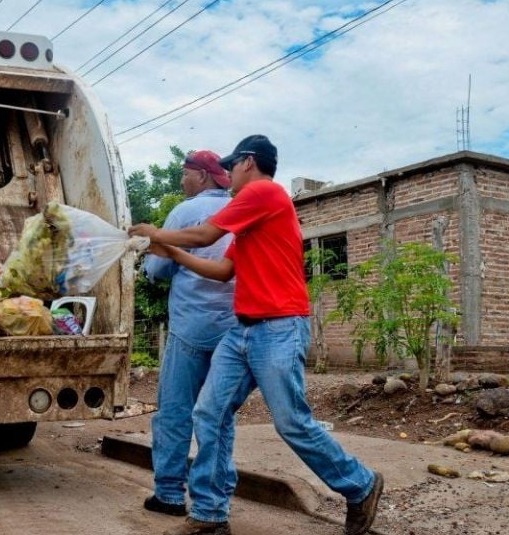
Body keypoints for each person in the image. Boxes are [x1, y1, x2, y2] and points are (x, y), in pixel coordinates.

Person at [130, 135, 383, 535]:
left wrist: (156, 235)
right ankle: (210, 516)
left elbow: (205, 236)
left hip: (279, 328)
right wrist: (173, 254)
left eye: (231, 167)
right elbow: (222, 271)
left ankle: (360, 484)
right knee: (209, 413)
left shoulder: (264, 192)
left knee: (291, 423)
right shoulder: (249, 220)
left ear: (248, 162)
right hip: (242, 330)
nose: (227, 174)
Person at [142, 150, 237, 518]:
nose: (182, 181)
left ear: (202, 176)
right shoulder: (237, 211)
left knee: (176, 411)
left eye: (185, 173)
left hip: (189, 328)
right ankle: (213, 504)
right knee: (218, 417)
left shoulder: (184, 213)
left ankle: (168, 494)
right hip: (231, 330)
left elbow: (158, 267)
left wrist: (153, 263)